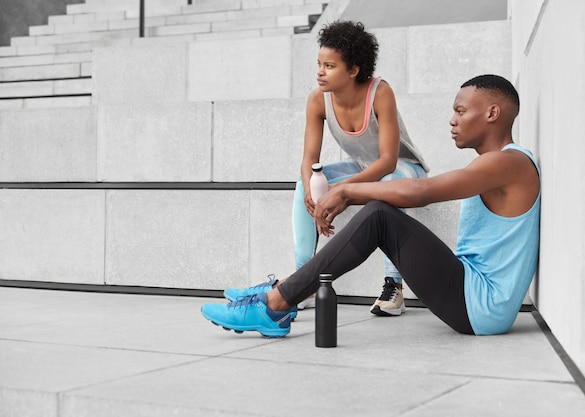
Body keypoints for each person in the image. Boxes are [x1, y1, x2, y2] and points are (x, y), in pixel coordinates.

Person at [202, 74, 540, 338]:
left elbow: (420, 191)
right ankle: (279, 295)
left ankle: (275, 302)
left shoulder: (506, 163)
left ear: (493, 113)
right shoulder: (500, 164)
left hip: (480, 305)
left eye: (461, 111)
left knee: (380, 216)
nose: (452, 119)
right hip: (473, 294)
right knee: (380, 214)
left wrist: (347, 191)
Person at [225, 21, 429, 317]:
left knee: (385, 183)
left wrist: (342, 190)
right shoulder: (317, 99)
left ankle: (393, 287)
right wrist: (311, 188)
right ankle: (302, 280)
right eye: (319, 64)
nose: (320, 71)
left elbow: (387, 160)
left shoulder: (380, 92)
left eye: (330, 65)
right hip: (362, 166)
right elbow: (309, 158)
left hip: (403, 169)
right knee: (302, 181)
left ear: (353, 70)